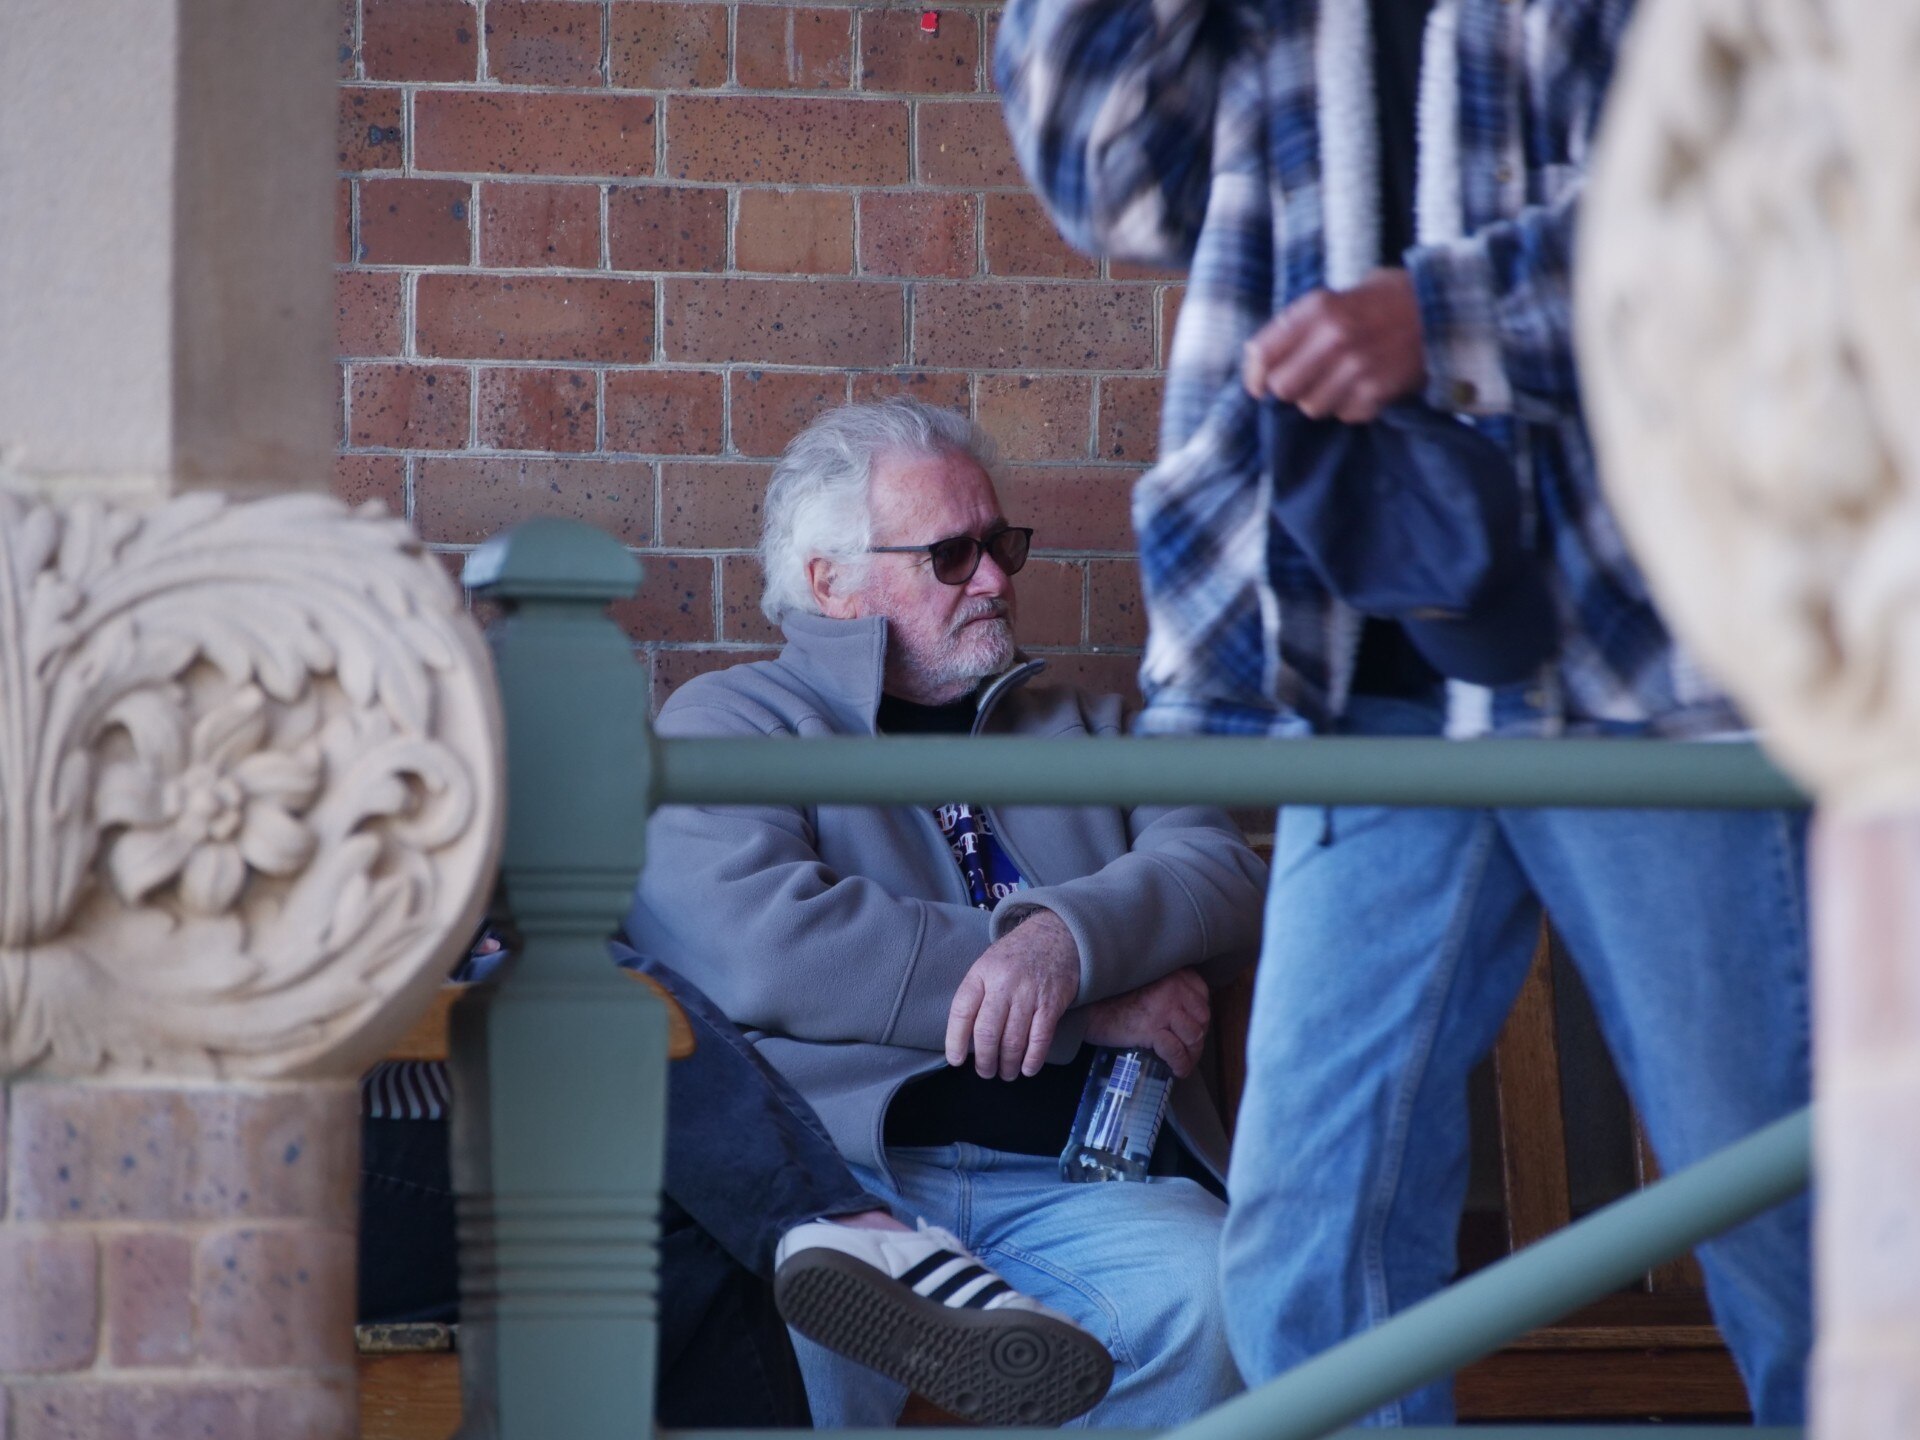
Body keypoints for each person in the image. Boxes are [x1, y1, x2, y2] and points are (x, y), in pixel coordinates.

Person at [997, 0, 1813, 1424]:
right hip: (1365, 674)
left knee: (1786, 1222)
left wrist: (1440, 321)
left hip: (1646, 661)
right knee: (1309, 1251)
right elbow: (1100, 175)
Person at [623, 397, 1268, 1428]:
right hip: (846, 1187)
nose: (997, 581)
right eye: (953, 555)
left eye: (1001, 544)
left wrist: (1061, 942)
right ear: (830, 581)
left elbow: (1223, 872)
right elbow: (769, 948)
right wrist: (1080, 1012)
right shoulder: (733, 720)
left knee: (1220, 1297)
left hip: (1085, 1184)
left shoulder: (1095, 727)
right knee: (789, 1334)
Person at [358, 930, 1115, 1428]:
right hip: (289, 1162)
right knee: (605, 1001)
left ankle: (834, 1228)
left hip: (394, 1118)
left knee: (689, 1186)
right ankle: (846, 1228)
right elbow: (770, 953)